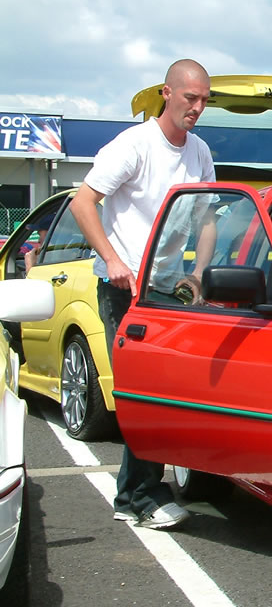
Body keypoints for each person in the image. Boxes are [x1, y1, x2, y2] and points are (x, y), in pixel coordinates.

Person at [70, 59, 215, 530]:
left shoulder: (199, 152)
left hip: (168, 289)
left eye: (204, 100)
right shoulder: (134, 146)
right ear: (167, 93)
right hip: (124, 288)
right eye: (190, 97)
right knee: (145, 390)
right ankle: (141, 496)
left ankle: (134, 495)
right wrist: (112, 260)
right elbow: (82, 202)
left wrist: (198, 273)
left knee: (167, 391)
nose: (197, 107)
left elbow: (208, 219)